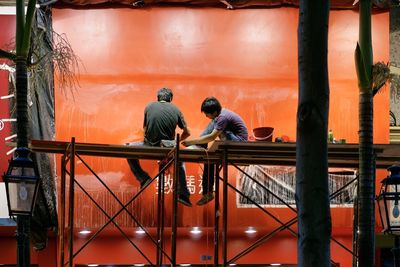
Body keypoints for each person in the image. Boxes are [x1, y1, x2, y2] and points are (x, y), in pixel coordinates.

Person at [127, 87, 192, 207]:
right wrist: (178, 142)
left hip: (149, 146)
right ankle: (183, 194)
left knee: (129, 149)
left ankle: (143, 178)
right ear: (170, 99)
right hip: (169, 147)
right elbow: (188, 132)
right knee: (180, 163)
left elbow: (145, 129)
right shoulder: (176, 109)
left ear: (158, 98)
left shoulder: (149, 106)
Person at [182, 96, 248, 205]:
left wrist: (191, 142)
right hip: (231, 139)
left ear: (215, 111)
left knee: (215, 124)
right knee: (210, 158)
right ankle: (207, 192)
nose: (207, 116)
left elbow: (212, 137)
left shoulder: (222, 117)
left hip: (238, 144)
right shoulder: (220, 115)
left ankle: (200, 145)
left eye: (207, 114)